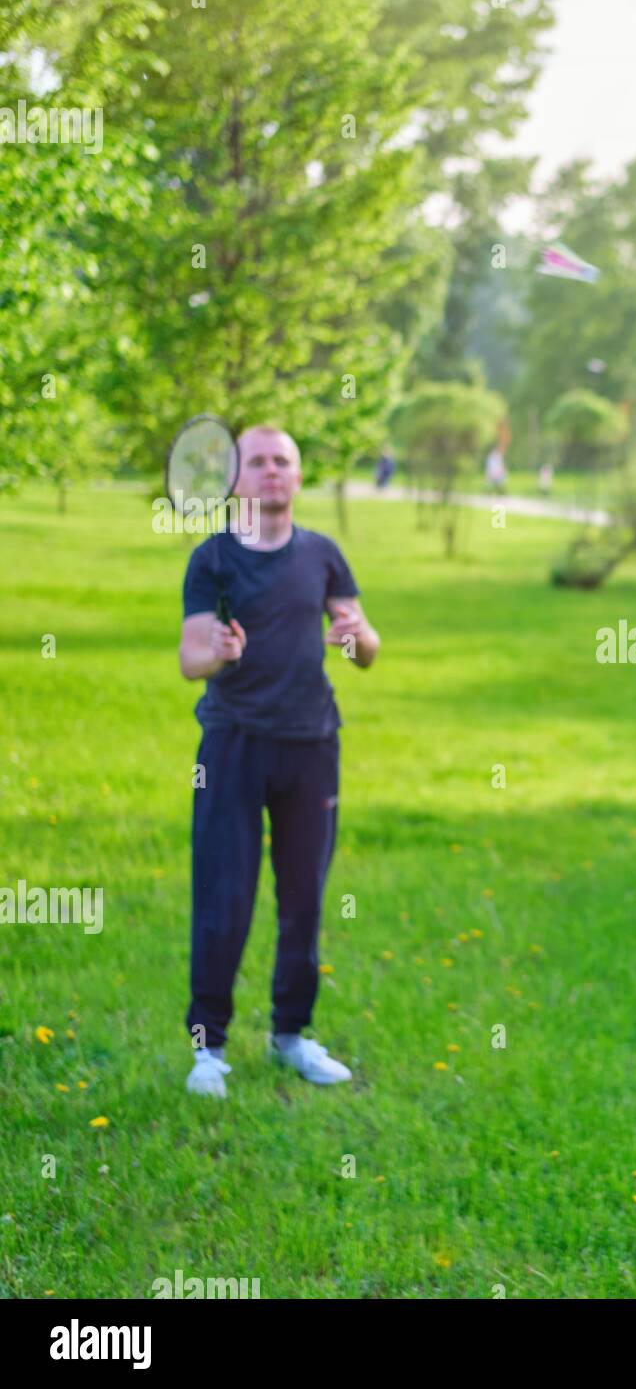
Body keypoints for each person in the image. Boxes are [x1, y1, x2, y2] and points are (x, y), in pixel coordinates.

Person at [178, 424, 380, 1098]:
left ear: (297, 476)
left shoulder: (322, 554)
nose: (271, 471)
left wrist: (354, 636)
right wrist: (218, 653)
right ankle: (209, 1049)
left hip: (311, 743)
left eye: (282, 461)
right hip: (233, 744)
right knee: (223, 896)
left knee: (304, 897)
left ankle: (291, 1035)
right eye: (257, 461)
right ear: (235, 478)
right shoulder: (212, 559)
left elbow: (366, 648)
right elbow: (190, 658)